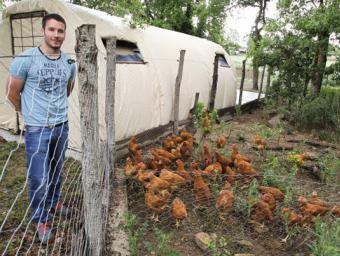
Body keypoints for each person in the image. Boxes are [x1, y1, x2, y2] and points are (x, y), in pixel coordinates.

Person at [6, 13, 76, 243]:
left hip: (61, 126)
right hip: (37, 129)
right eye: (52, 30)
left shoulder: (68, 63)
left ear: (64, 34)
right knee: (38, 178)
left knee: (57, 171)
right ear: (43, 31)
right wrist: (28, 114)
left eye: (60, 31)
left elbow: (66, 90)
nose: (56, 35)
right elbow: (12, 93)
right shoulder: (25, 59)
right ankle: (41, 219)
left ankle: (55, 202)